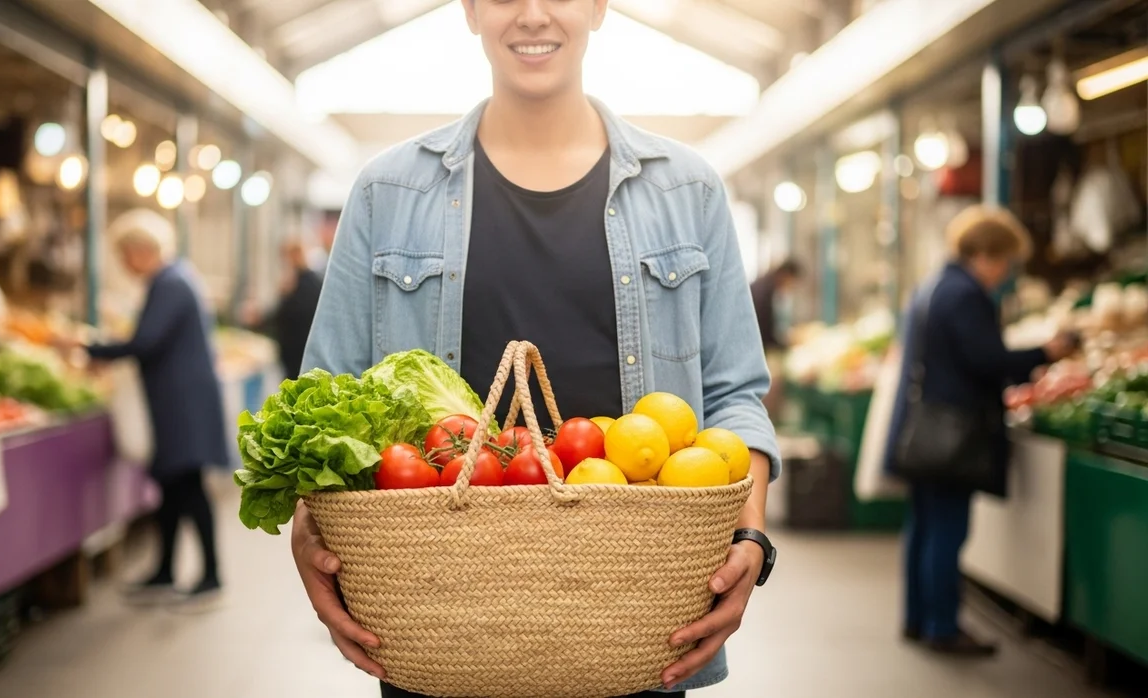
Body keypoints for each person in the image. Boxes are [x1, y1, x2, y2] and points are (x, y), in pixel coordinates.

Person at [292, 2, 781, 696]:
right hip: (439, 612)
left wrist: (750, 540)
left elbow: (736, 393)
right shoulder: (388, 191)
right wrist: (307, 531)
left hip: (639, 616)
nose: (531, 15)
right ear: (467, 10)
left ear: (599, 7)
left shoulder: (687, 188)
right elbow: (328, 394)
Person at [884, 205, 1076, 656]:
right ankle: (942, 626)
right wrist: (1044, 352)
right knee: (948, 530)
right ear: (987, 253)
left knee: (924, 526)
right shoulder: (966, 294)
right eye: (1006, 260)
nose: (1006, 272)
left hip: (924, 427)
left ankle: (918, 619)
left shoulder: (932, 287)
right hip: (954, 432)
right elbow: (988, 360)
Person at [81, 209, 231, 610]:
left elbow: (145, 342)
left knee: (188, 486)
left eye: (124, 254)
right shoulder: (175, 280)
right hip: (179, 402)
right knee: (171, 486)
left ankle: (211, 578)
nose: (124, 264)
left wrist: (90, 348)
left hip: (183, 405)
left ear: (140, 250)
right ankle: (165, 572)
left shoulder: (170, 284)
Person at [251, 240, 323, 379]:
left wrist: (261, 320)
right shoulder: (307, 281)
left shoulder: (302, 284)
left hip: (298, 350)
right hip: (298, 350)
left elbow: (287, 313)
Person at [749, 259, 802, 352]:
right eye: (792, 282)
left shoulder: (767, 285)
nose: (791, 286)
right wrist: (782, 346)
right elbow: (764, 327)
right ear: (786, 275)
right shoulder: (763, 292)